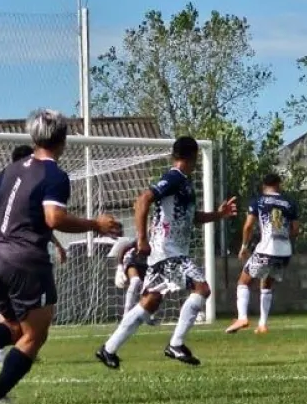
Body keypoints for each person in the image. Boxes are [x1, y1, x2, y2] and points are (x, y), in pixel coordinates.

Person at [0, 109, 122, 404]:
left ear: (33, 136)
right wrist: (96, 225)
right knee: (35, 336)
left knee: (15, 329)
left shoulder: (12, 169)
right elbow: (54, 217)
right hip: (27, 262)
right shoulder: (54, 174)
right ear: (63, 139)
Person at [95, 136, 237, 369]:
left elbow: (193, 218)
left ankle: (108, 348)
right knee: (202, 288)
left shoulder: (184, 184)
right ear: (193, 157)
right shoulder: (174, 178)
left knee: (150, 301)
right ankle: (176, 344)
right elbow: (142, 200)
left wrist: (217, 215)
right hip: (168, 251)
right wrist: (142, 238)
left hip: (169, 252)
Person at [0, 144, 67, 369]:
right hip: (20, 259)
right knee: (28, 321)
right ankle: (3, 354)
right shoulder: (20, 180)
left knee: (10, 312)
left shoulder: (7, 183)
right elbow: (39, 222)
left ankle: (1, 353)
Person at [225, 172, 299, 335]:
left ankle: (242, 317)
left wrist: (244, 246)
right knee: (267, 284)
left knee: (243, 282)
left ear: (264, 186)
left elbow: (248, 226)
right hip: (284, 252)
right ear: (279, 185)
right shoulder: (290, 202)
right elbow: (295, 229)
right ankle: (263, 325)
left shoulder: (258, 201)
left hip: (266, 250)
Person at [111, 236, 154, 322]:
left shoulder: (159, 241)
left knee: (150, 287)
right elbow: (124, 249)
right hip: (132, 260)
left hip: (145, 263)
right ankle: (126, 314)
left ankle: (147, 314)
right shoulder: (143, 237)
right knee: (135, 281)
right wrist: (120, 267)